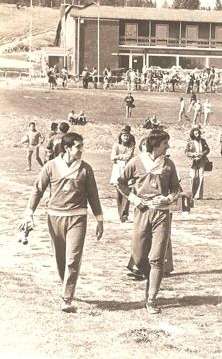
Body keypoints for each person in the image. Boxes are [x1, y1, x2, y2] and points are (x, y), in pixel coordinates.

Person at [21, 132, 104, 312]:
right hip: (54, 217)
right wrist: (29, 213)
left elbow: (93, 194)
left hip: (78, 217)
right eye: (78, 146)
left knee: (73, 259)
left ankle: (67, 298)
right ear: (67, 148)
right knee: (60, 259)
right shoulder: (51, 166)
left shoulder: (86, 168)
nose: (82, 149)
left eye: (82, 146)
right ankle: (65, 283)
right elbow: (38, 190)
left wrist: (99, 218)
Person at [116, 129, 182, 314]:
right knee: (138, 257)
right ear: (155, 145)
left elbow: (176, 188)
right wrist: (134, 199)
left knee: (157, 258)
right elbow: (121, 183)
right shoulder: (136, 162)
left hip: (162, 214)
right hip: (142, 212)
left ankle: (151, 299)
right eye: (165, 143)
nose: (168, 146)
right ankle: (152, 278)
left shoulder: (169, 164)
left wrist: (167, 199)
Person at [110, 127, 136, 222]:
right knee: (119, 192)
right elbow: (112, 158)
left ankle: (125, 213)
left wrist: (118, 157)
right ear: (120, 137)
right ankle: (120, 213)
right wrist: (118, 157)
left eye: (127, 135)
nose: (126, 137)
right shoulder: (116, 145)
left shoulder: (131, 145)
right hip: (117, 169)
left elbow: (128, 156)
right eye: (124, 136)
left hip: (127, 168)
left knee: (127, 191)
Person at [185, 127, 210, 200]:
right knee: (193, 177)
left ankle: (198, 195)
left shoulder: (203, 141)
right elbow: (186, 152)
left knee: (201, 177)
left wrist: (202, 154)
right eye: (196, 134)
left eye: (198, 133)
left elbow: (207, 150)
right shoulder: (190, 142)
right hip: (193, 161)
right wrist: (192, 154)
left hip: (202, 160)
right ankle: (192, 193)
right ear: (193, 134)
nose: (197, 135)